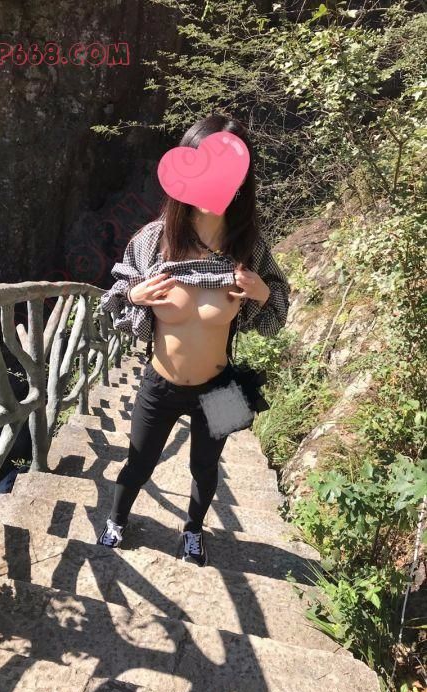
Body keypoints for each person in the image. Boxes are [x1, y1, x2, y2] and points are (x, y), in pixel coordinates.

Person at [97, 113, 291, 566]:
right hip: (160, 382)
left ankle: (193, 532)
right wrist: (134, 294)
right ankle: (117, 520)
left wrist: (262, 293)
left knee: (205, 467)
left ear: (241, 180)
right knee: (139, 462)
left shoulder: (249, 249)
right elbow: (113, 299)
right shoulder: (154, 242)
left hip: (219, 387)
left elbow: (277, 311)